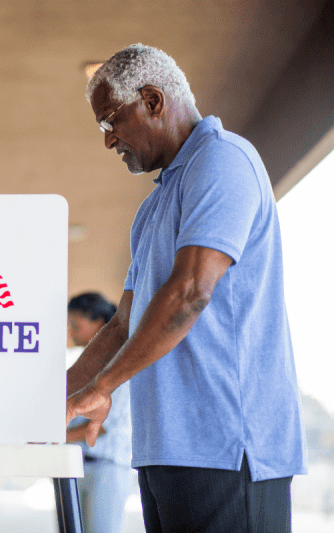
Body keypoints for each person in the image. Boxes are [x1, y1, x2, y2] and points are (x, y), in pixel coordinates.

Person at [66, 44, 306, 532]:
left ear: (152, 100)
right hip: (165, 449)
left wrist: (102, 388)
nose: (108, 140)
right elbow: (122, 325)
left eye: (111, 120)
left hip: (228, 445)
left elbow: (191, 291)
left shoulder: (222, 160)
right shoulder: (153, 208)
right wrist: (55, 400)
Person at [66, 292, 131, 533]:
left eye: (76, 325)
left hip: (106, 468)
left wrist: (55, 437)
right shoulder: (83, 366)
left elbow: (103, 425)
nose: (71, 332)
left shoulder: (118, 364)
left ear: (99, 323)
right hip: (77, 465)